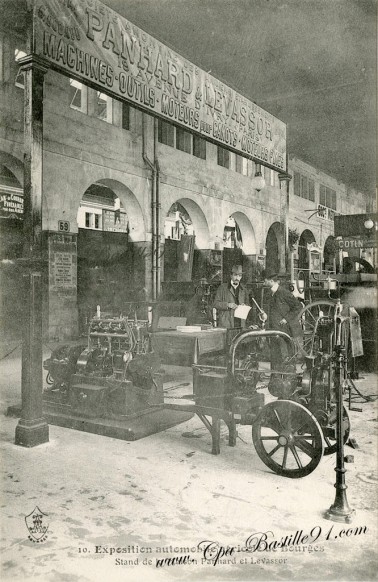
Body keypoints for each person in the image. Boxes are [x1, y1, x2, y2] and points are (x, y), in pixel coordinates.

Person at [262, 270, 303, 371]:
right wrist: (264, 315)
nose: (263, 282)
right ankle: (276, 378)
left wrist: (286, 319)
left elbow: (298, 306)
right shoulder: (269, 293)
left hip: (286, 330)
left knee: (287, 356)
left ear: (271, 281)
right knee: (276, 356)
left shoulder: (284, 292)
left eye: (265, 280)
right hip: (274, 330)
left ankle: (289, 378)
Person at [213, 264, 250, 329]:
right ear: (231, 275)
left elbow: (248, 304)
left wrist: (244, 305)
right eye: (235, 275)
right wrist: (228, 305)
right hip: (226, 323)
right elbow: (215, 304)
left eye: (240, 276)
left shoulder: (244, 289)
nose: (237, 278)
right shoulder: (222, 288)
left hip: (240, 323)